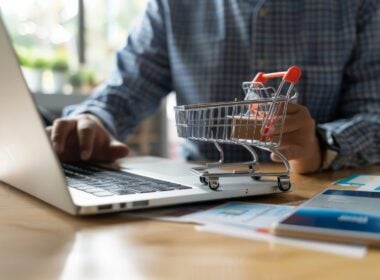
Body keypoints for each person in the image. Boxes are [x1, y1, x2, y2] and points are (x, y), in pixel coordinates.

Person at [47, 0, 380, 174]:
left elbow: (373, 112)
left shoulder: (357, 5)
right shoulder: (170, 6)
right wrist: (93, 119)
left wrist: (321, 146)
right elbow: (130, 85)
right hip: (202, 193)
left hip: (313, 190)